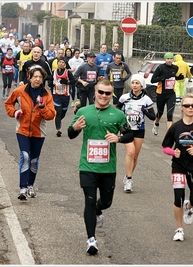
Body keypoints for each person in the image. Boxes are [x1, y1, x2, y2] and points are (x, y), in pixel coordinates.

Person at [67, 79, 134, 255]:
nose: (104, 96)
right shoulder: (83, 111)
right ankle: (91, 240)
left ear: (112, 95)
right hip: (87, 166)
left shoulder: (118, 114)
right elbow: (70, 134)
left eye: (108, 93)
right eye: (101, 92)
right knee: (89, 199)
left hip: (108, 168)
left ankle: (99, 209)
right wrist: (74, 127)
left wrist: (119, 138)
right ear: (95, 92)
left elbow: (130, 134)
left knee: (106, 202)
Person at [162, 93, 193, 241]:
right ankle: (179, 229)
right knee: (178, 197)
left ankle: (189, 208)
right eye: (187, 105)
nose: (190, 108)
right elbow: (165, 146)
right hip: (178, 166)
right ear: (182, 108)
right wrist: (173, 152)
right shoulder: (176, 127)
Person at [4, 66, 55, 200]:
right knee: (25, 156)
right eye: (35, 76)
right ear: (30, 77)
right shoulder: (20, 91)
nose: (37, 79)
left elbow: (51, 115)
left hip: (39, 132)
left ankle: (30, 185)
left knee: (33, 160)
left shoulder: (46, 94)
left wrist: (43, 107)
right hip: (22, 130)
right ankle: (22, 188)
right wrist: (15, 112)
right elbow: (8, 104)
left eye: (40, 77)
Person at [116, 74, 155, 192]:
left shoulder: (146, 99)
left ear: (141, 85)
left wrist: (145, 111)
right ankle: (129, 179)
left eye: (137, 83)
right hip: (127, 130)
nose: (134, 85)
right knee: (130, 152)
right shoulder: (124, 98)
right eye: (133, 83)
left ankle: (127, 175)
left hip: (139, 130)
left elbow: (153, 117)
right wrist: (120, 123)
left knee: (135, 156)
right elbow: (117, 111)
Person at [150, 52, 184, 135]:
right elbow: (153, 80)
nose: (169, 60)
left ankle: (169, 135)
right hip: (161, 94)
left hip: (171, 94)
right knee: (160, 113)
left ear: (173, 59)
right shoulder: (160, 68)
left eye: (171, 58)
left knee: (169, 114)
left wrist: (178, 77)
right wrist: (164, 77)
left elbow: (172, 76)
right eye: (168, 59)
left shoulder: (175, 67)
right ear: (165, 59)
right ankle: (156, 123)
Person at [52, 57, 76, 137]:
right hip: (56, 95)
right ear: (57, 63)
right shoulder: (54, 72)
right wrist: (50, 83)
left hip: (65, 96)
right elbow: (50, 80)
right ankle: (58, 129)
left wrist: (67, 82)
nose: (61, 64)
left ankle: (58, 120)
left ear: (65, 64)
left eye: (63, 62)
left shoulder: (67, 72)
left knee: (63, 113)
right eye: (60, 62)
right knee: (58, 111)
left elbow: (73, 81)